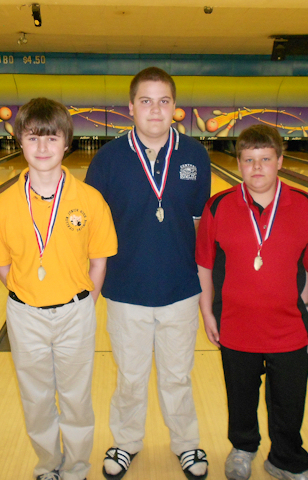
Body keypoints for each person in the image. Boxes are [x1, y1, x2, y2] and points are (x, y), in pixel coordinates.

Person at [85, 67, 211, 480]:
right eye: (146, 100)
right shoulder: (107, 160)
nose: (155, 109)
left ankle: (187, 444)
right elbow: (94, 230)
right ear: (130, 108)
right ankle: (125, 442)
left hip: (180, 289)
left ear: (175, 108)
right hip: (125, 291)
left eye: (163, 101)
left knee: (177, 376)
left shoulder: (195, 154)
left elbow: (197, 221)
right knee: (131, 377)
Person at [0, 97, 117, 480]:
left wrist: (81, 302)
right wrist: (29, 297)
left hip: (76, 311)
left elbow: (99, 261)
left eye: (51, 138)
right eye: (32, 138)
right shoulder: (3, 206)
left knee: (76, 398)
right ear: (19, 143)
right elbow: (2, 265)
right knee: (37, 399)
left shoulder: (90, 201)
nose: (42, 148)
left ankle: (76, 468)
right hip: (24, 314)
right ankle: (48, 465)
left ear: (67, 143)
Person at [196, 125, 308, 480]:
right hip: (236, 325)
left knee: (289, 401)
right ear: (238, 163)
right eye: (249, 160)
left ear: (280, 161)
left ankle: (286, 460)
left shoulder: (305, 205)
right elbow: (204, 264)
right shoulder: (219, 206)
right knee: (240, 396)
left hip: (290, 327)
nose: (257, 168)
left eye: (266, 159)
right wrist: (207, 311)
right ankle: (243, 447)